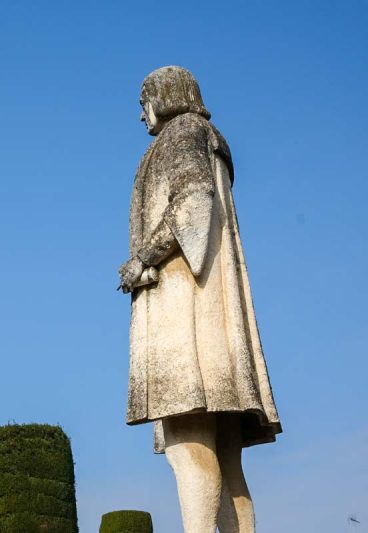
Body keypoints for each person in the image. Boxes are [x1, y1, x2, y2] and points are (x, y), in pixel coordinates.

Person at [119, 66, 281, 533]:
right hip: (215, 315)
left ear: (164, 97)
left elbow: (193, 201)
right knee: (226, 456)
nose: (141, 115)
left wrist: (142, 258)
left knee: (186, 444)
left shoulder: (180, 135)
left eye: (142, 101)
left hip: (185, 310)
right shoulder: (206, 137)